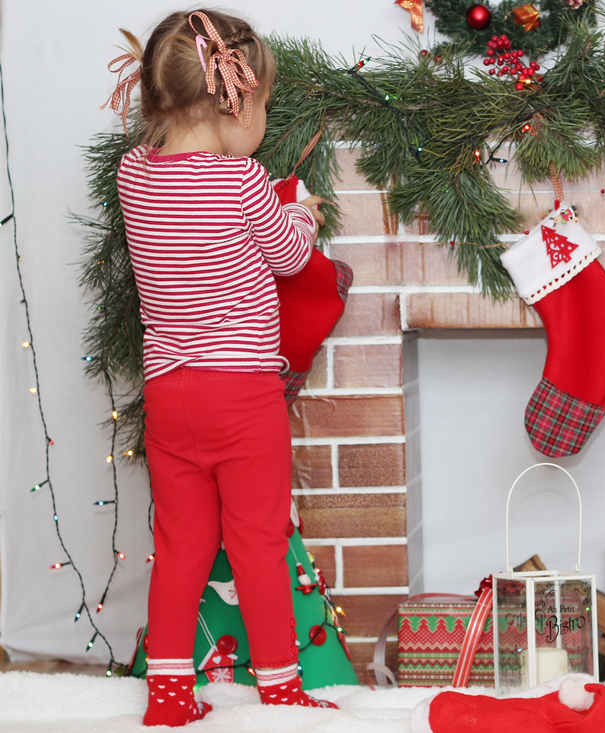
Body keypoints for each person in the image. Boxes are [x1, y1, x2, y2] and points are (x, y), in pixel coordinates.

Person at [107, 9, 336, 726]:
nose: (263, 117)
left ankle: (170, 696)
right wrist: (302, 213)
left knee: (180, 544)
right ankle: (280, 688)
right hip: (241, 394)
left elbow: (189, 225)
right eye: (263, 103)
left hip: (168, 393)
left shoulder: (132, 174)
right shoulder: (242, 183)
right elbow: (292, 256)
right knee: (259, 541)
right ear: (233, 101)